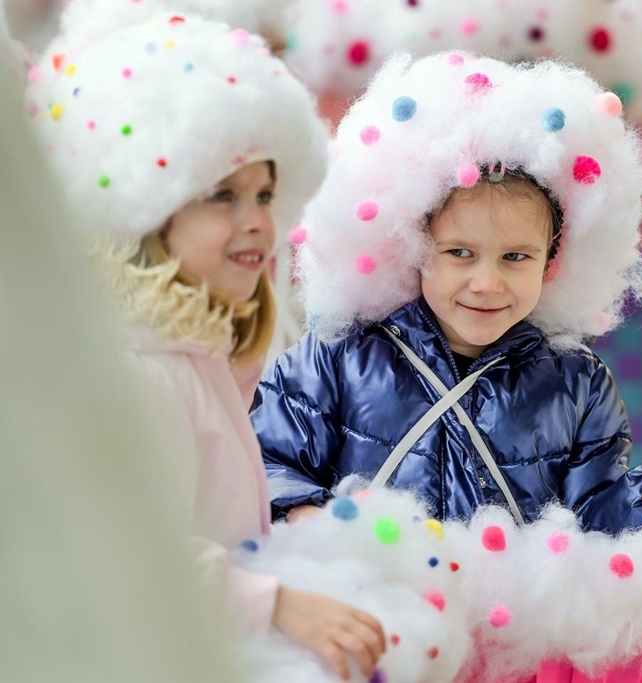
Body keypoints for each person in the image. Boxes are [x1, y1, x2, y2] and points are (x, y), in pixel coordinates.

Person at [29, 15, 386, 680]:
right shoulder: (146, 370)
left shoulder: (203, 352)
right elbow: (135, 553)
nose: (256, 219)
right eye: (223, 195)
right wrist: (276, 601)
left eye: (265, 194)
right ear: (148, 211)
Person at [253, 54, 642, 543]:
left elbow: (595, 530)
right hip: (372, 606)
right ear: (414, 249)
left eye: (516, 257)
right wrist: (307, 521)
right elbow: (266, 463)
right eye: (460, 253)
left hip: (517, 617)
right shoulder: (336, 359)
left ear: (553, 262)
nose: (487, 282)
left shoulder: (577, 383)